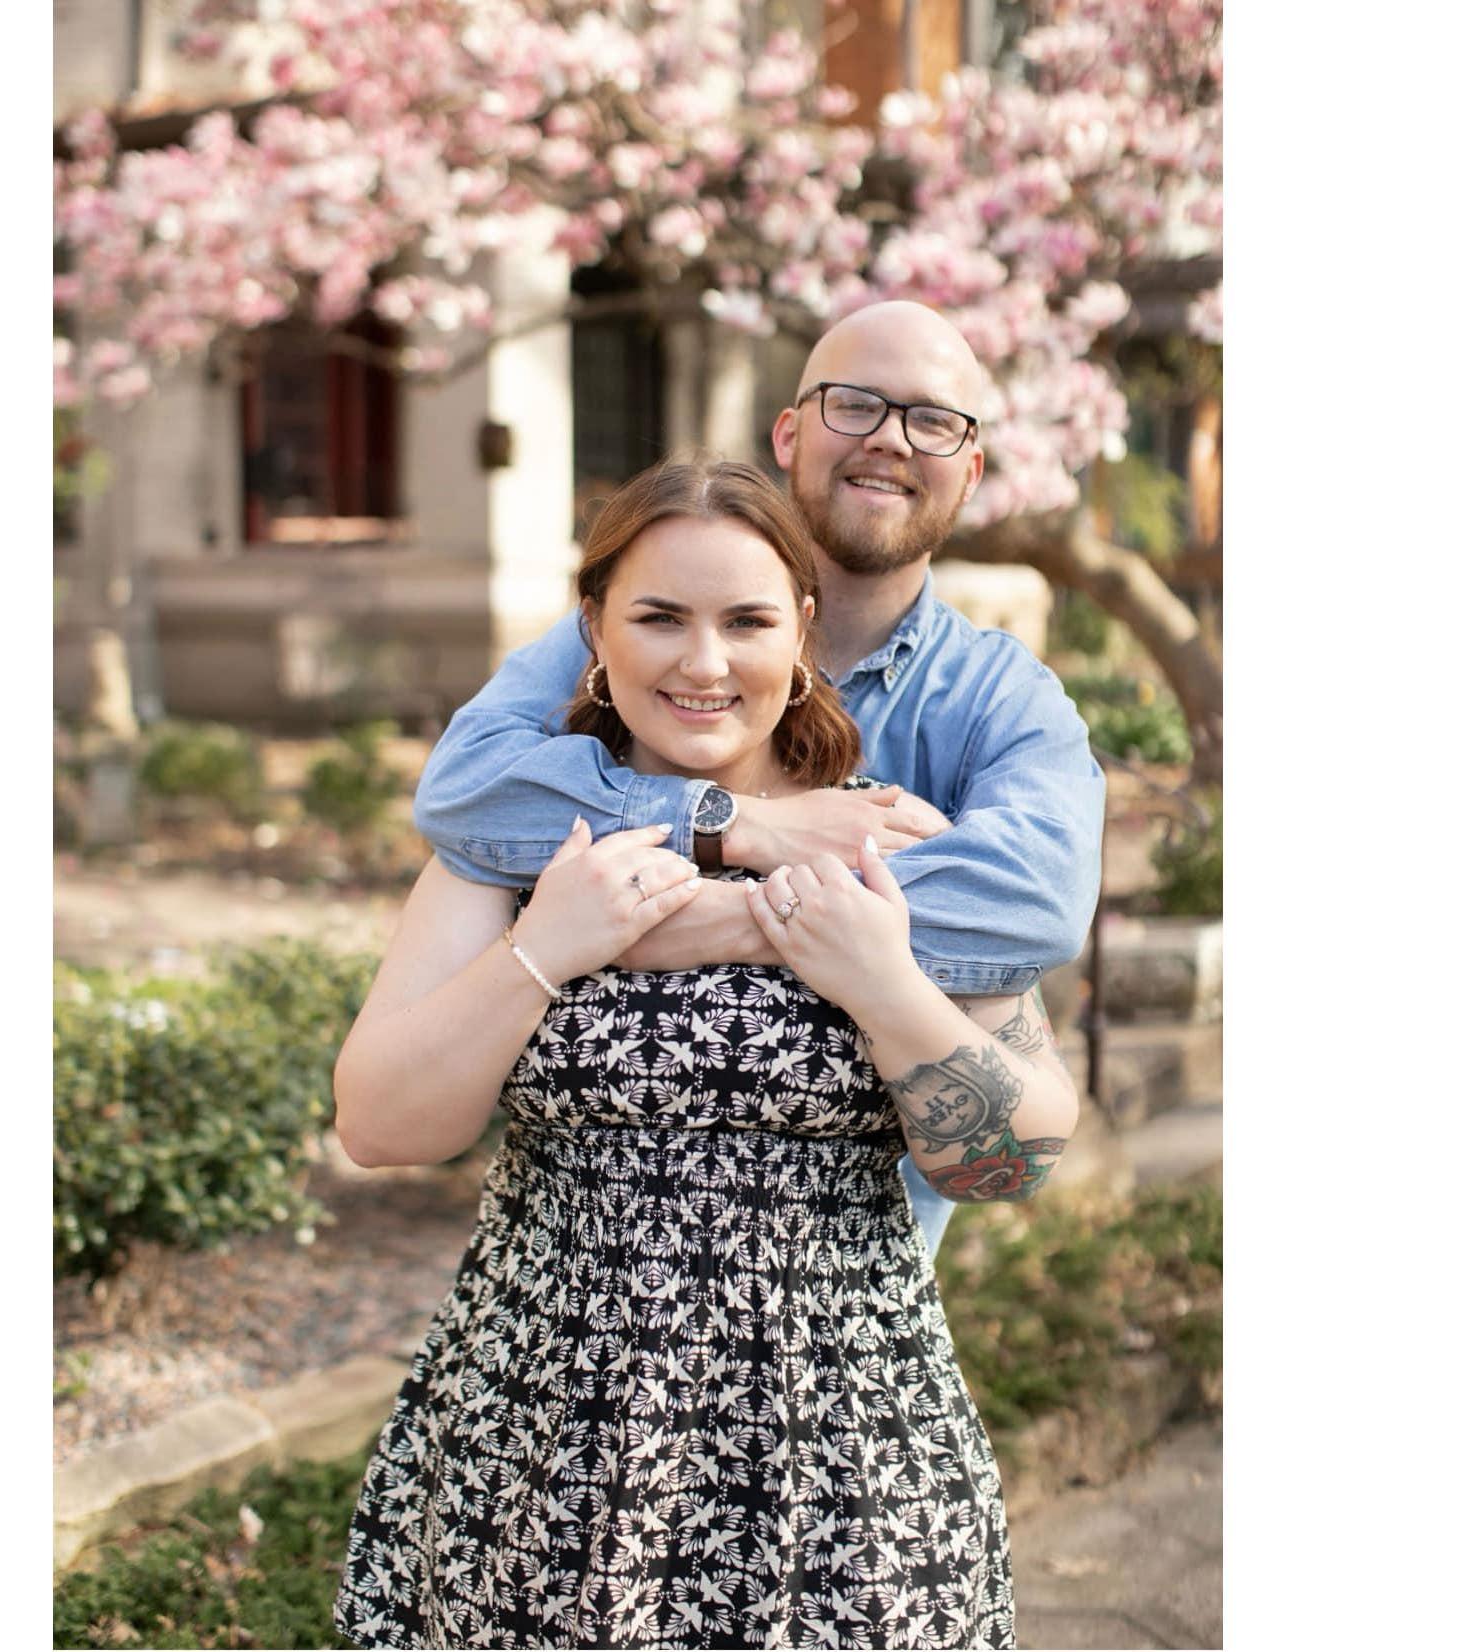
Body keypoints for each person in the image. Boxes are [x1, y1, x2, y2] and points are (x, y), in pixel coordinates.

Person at [331, 457, 1079, 1649]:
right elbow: (378, 1124)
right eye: (658, 616)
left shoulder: (889, 844)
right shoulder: (522, 836)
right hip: (541, 1459)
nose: (702, 661)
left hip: (846, 1463)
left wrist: (881, 983)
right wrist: (542, 950)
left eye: (745, 621)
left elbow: (1014, 1158)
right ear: (592, 629)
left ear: (802, 632)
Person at [411, 300, 1104, 1257]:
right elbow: (466, 790)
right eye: (855, 404)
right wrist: (737, 826)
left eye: (933, 420)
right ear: (789, 435)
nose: (891, 440)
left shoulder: (1003, 701)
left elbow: (1037, 904)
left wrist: (725, 918)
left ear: (973, 469)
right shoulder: (632, 636)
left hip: (852, 1278)